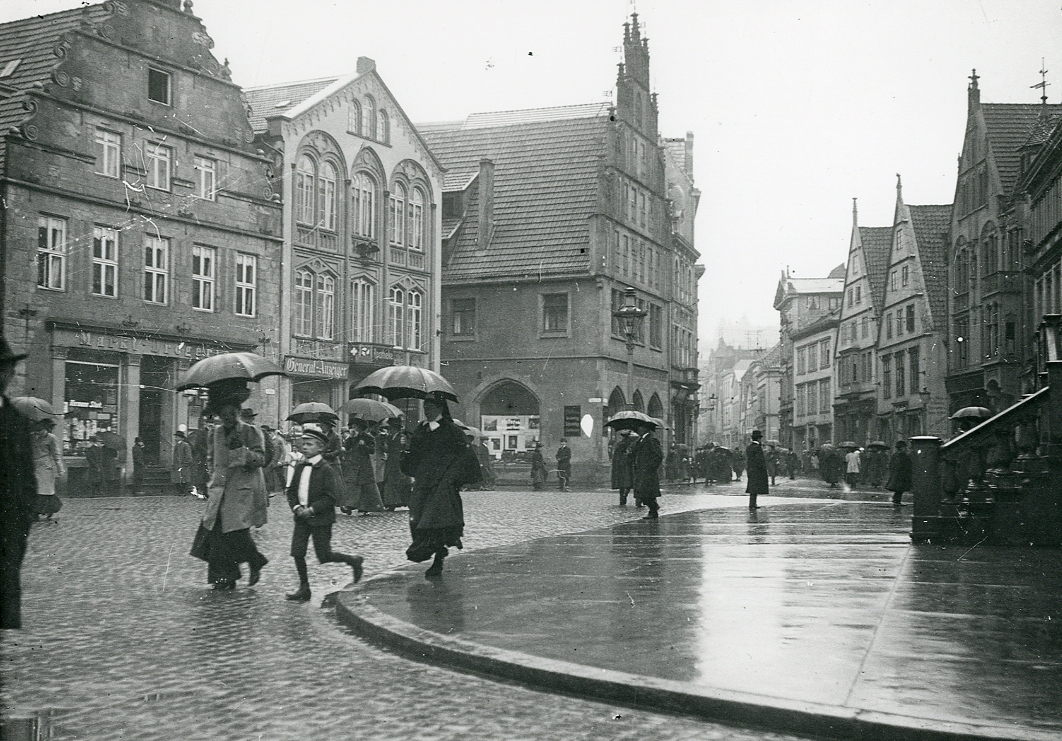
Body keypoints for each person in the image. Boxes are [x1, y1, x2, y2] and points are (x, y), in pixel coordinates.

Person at [199, 382, 269, 590]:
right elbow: (211, 459)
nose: (227, 417)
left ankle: (249, 564)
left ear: (238, 412)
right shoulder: (216, 433)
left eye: (231, 413)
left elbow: (261, 458)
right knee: (217, 533)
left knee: (236, 532)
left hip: (242, 489)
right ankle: (227, 576)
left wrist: (244, 452)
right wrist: (210, 480)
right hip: (220, 489)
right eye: (223, 414)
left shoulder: (251, 432)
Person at [284, 423, 364, 601]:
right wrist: (296, 507)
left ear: (321, 447)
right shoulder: (299, 467)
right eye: (303, 444)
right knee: (297, 552)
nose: (305, 447)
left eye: (310, 444)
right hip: (301, 518)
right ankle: (304, 587)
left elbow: (330, 497)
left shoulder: (327, 470)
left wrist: (312, 509)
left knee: (324, 555)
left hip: (320, 519)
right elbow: (290, 491)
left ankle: (353, 560)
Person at [401, 395, 470, 577]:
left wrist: (452, 478)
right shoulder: (420, 430)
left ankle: (438, 558)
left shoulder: (452, 430)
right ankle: (426, 549)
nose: (427, 410)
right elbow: (413, 458)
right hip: (423, 482)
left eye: (431, 406)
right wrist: (406, 448)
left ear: (440, 408)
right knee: (417, 517)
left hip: (442, 483)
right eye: (425, 406)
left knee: (437, 521)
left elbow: (464, 456)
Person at [1, 337, 37, 628]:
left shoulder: (16, 421)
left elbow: (27, 480)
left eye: (8, 369)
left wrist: (18, 531)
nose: (5, 375)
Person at [341, 420, 384, 515]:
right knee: (352, 485)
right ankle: (349, 505)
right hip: (354, 464)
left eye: (355, 427)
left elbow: (372, 450)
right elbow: (347, 447)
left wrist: (364, 445)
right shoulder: (352, 437)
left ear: (361, 428)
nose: (353, 429)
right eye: (352, 427)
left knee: (366, 486)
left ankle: (364, 507)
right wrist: (351, 438)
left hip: (365, 465)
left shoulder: (368, 437)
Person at [32, 419, 64, 521]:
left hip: (46, 467)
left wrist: (60, 468)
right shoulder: (31, 436)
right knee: (35, 489)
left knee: (45, 490)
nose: (38, 430)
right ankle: (35, 512)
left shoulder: (51, 438)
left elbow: (56, 454)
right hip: (34, 466)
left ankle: (49, 510)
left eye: (40, 428)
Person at [630, 423, 663, 519]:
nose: (637, 429)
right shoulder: (640, 440)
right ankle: (653, 509)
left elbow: (658, 456)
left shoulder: (651, 440)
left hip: (648, 472)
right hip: (640, 470)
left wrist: (650, 467)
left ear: (645, 429)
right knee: (642, 492)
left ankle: (653, 510)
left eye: (639, 427)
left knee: (646, 492)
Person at [382, 426, 413, 507]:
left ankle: (404, 501)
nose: (390, 430)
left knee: (401, 481)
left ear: (395, 428)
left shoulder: (402, 437)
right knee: (390, 480)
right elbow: (387, 449)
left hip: (399, 460)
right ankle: (392, 502)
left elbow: (407, 447)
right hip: (391, 461)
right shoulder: (389, 437)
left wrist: (404, 444)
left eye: (391, 428)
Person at [746, 430, 768, 510]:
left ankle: (752, 503)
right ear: (758, 439)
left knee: (752, 488)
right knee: (755, 488)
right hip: (757, 470)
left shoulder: (749, 447)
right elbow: (759, 460)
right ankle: (753, 504)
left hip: (751, 470)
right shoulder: (757, 448)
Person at [611, 431, 635, 505]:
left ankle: (622, 497)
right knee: (629, 482)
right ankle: (625, 495)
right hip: (628, 466)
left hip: (620, 466)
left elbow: (615, 457)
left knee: (622, 483)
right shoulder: (631, 444)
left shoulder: (619, 444)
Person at [887, 440, 913, 506]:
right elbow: (906, 465)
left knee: (898, 489)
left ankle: (896, 500)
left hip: (897, 474)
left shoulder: (895, 454)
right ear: (902, 448)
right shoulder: (902, 455)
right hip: (901, 475)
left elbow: (891, 464)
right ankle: (897, 500)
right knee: (900, 488)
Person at [172, 428, 194, 496]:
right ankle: (180, 492)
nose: (175, 438)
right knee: (178, 479)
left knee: (184, 479)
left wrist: (185, 464)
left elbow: (188, 456)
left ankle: (184, 492)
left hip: (183, 465)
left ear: (181, 438)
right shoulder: (177, 445)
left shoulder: (185, 445)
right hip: (177, 465)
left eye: (177, 437)